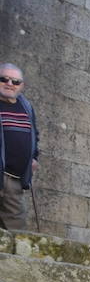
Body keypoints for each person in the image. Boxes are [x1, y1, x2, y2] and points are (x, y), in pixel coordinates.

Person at [0, 62, 38, 232]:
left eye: (15, 81)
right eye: (4, 79)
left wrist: (34, 157)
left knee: (17, 234)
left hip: (14, 181)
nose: (10, 84)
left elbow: (34, 135)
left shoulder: (27, 107)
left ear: (21, 86)